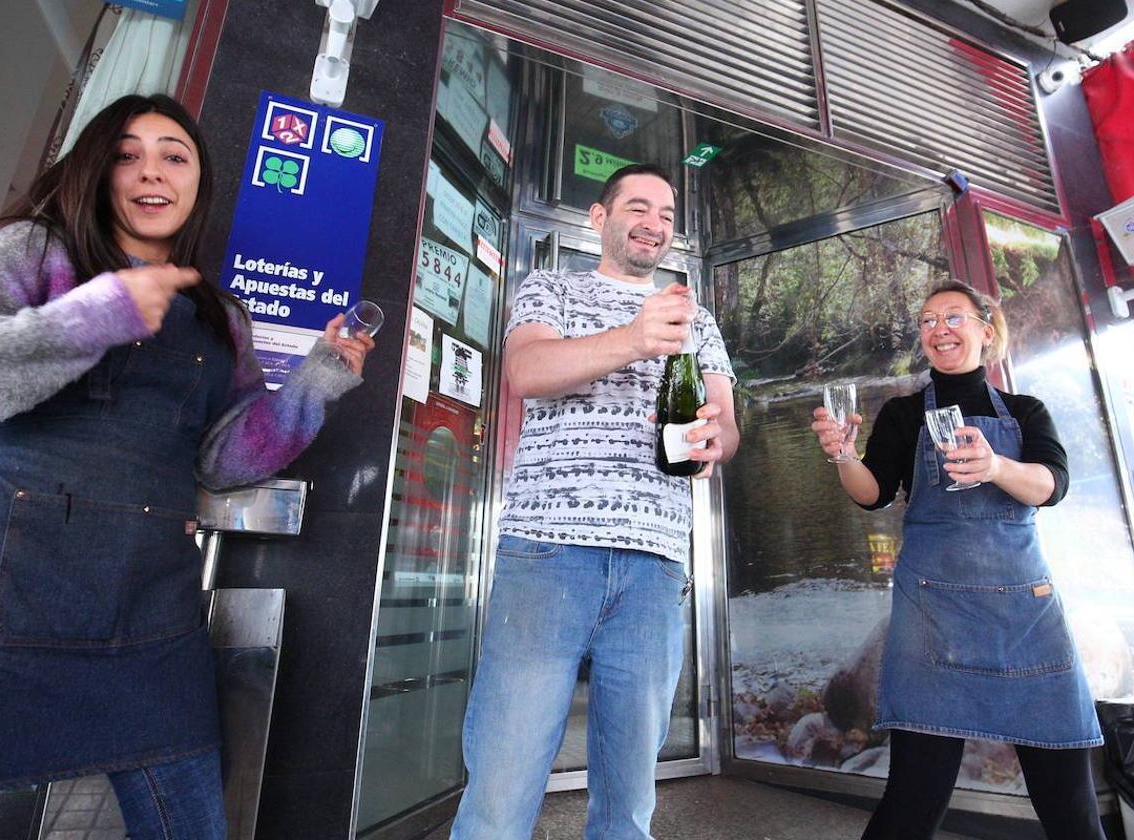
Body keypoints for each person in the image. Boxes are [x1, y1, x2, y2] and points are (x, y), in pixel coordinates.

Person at [0, 94, 375, 839]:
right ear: (96, 172)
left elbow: (224, 460)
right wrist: (96, 314)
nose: (151, 172)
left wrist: (319, 376)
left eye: (175, 156)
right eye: (126, 154)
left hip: (147, 606)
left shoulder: (217, 315)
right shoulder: (35, 252)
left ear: (199, 182)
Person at [449, 163, 740, 840]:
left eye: (667, 215)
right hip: (549, 550)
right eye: (638, 208)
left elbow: (724, 421)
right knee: (502, 780)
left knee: (630, 798)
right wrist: (633, 339)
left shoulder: (697, 321)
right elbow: (528, 371)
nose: (654, 224)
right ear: (599, 217)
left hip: (656, 563)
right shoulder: (551, 288)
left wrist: (709, 442)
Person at [810, 280, 1105, 840]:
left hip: (1025, 615)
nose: (938, 329)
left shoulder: (1024, 411)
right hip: (933, 615)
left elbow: (1052, 483)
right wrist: (844, 455)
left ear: (984, 330)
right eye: (926, 320)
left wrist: (997, 469)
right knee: (914, 796)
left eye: (953, 317)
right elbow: (872, 492)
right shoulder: (902, 413)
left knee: (1069, 799)